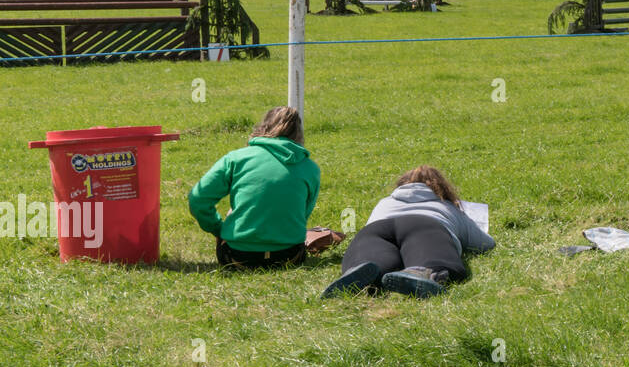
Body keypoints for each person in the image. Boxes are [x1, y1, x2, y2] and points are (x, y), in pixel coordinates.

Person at [322, 165, 495, 299]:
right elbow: (485, 244)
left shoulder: (384, 202)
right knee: (432, 260)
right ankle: (423, 272)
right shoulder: (448, 205)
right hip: (425, 225)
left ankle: (360, 268)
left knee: (371, 257)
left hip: (375, 230)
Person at [188, 106, 320, 269]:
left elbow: (197, 199)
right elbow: (303, 212)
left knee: (235, 211)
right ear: (299, 134)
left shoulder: (236, 159)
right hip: (290, 257)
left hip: (237, 257)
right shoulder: (310, 168)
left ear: (263, 127)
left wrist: (218, 229)